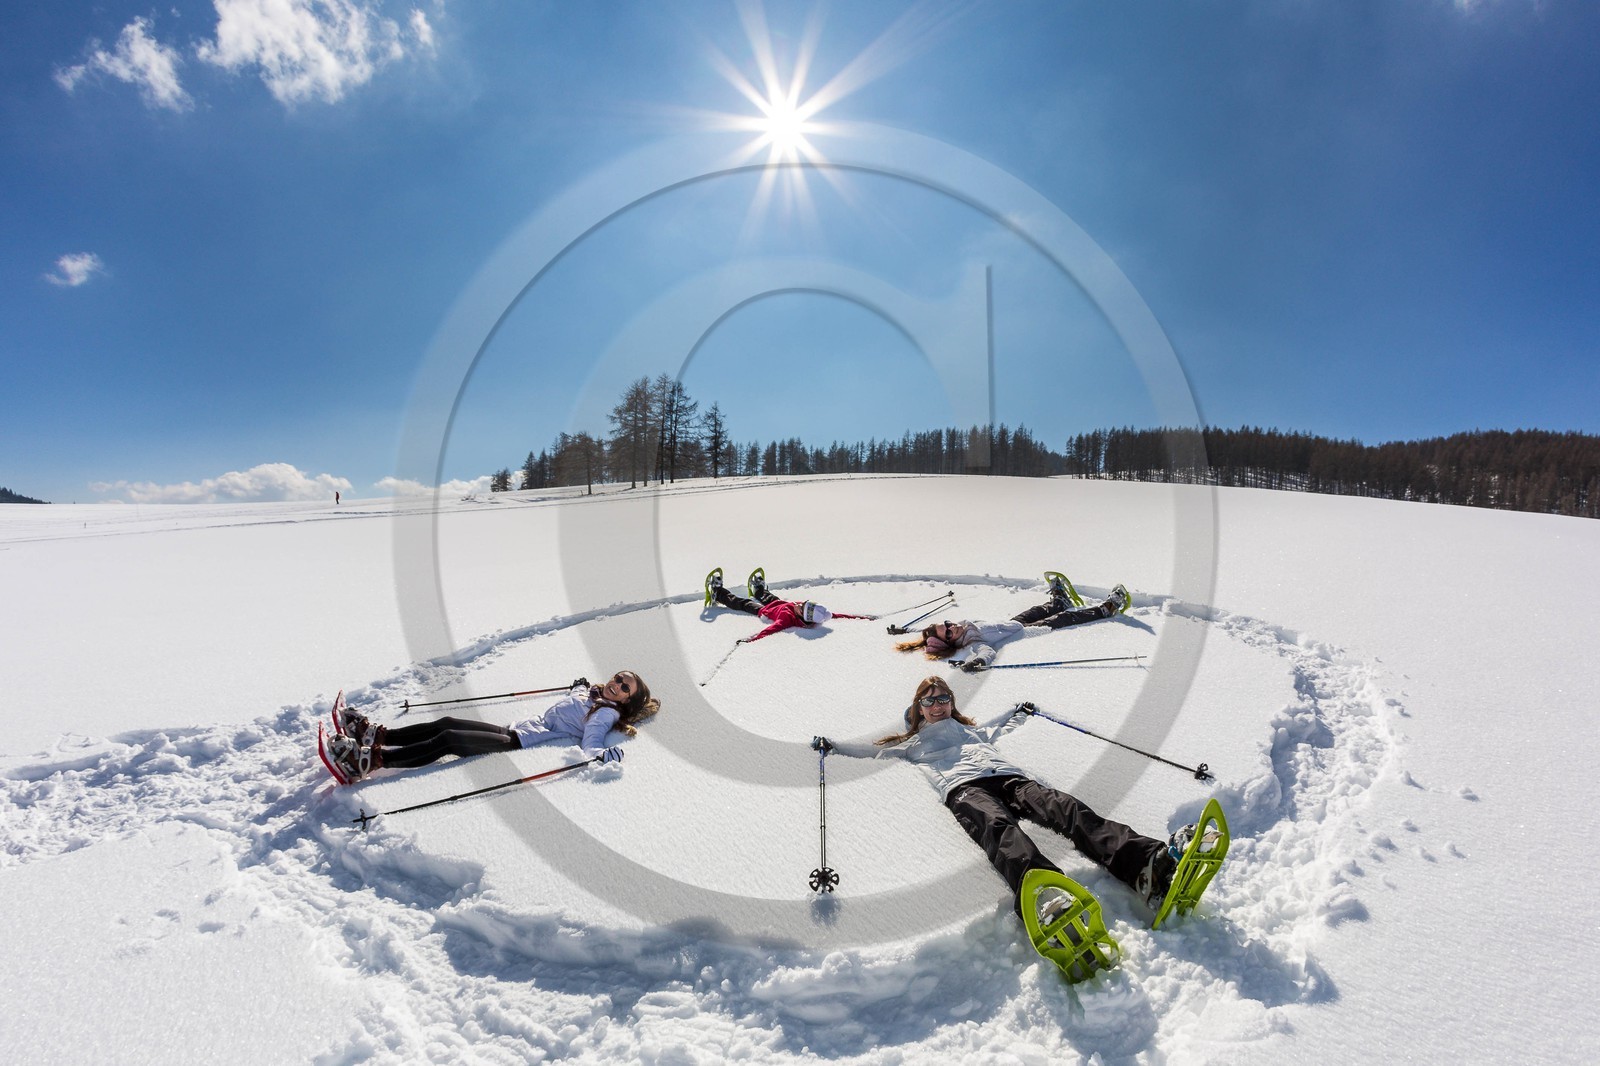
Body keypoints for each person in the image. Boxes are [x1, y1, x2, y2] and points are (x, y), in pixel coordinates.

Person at [812, 675, 1192, 922]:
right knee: (999, 829)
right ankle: (1045, 894)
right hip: (965, 789)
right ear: (918, 709)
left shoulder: (971, 730)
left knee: (1067, 808)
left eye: (944, 697)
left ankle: (1147, 863)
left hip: (1009, 778)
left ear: (952, 702)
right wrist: (832, 746)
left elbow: (1002, 722)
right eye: (929, 701)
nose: (938, 704)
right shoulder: (911, 744)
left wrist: (1020, 710)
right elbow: (868, 752)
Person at [325, 672, 659, 783]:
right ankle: (375, 736)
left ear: (627, 702)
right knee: (447, 723)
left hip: (521, 742)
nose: (616, 684)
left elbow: (591, 745)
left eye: (624, 687)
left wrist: (604, 755)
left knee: (449, 739)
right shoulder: (595, 696)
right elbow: (578, 696)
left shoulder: (604, 716)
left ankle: (370, 761)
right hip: (515, 728)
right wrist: (581, 686)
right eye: (618, 678)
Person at [896, 574, 1132, 671]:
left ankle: (1060, 601)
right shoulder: (972, 641)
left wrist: (907, 631)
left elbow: (927, 634)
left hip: (1010, 623)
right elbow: (986, 652)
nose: (950, 627)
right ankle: (1106, 609)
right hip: (1025, 633)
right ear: (950, 643)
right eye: (947, 632)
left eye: (946, 624)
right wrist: (977, 661)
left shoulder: (962, 628)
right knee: (1064, 620)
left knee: (1036, 609)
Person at [704, 567, 871, 643]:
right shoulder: (810, 612)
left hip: (763, 611)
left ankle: (718, 593)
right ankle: (758, 590)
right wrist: (862, 617)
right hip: (778, 602)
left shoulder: (787, 619)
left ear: (802, 616)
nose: (799, 604)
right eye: (804, 603)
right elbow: (836, 615)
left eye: (801, 607)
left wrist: (750, 639)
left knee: (741, 603)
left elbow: (770, 629)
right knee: (766, 595)